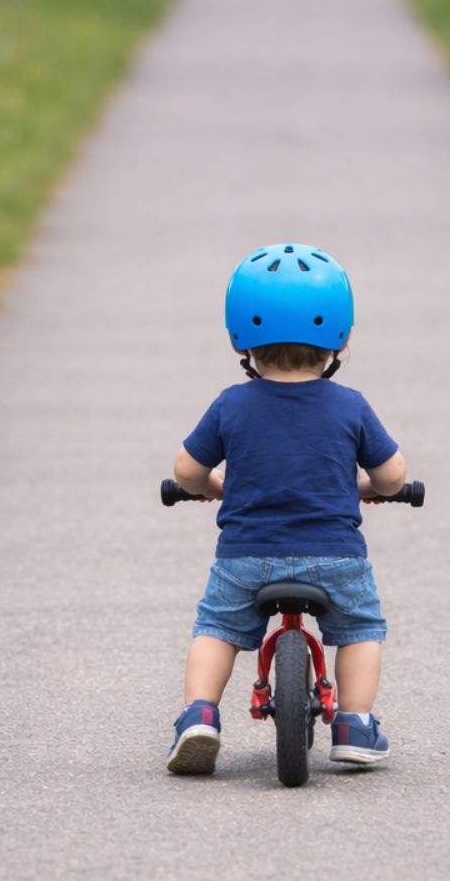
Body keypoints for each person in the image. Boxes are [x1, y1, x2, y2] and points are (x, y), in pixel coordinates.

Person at [166, 242, 407, 775]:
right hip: (335, 559)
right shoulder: (351, 405)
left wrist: (212, 484)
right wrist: (369, 486)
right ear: (339, 335)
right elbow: (393, 476)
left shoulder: (231, 403)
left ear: (240, 337)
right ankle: (355, 724)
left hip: (247, 560)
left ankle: (199, 716)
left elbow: (185, 470)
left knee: (218, 628)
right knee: (361, 627)